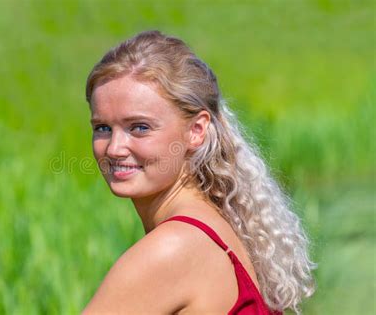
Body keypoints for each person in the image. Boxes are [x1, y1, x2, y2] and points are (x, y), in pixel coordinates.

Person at [82, 30, 315, 314]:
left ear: (196, 130)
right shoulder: (224, 225)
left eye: (139, 127)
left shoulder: (172, 249)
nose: (115, 148)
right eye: (102, 128)